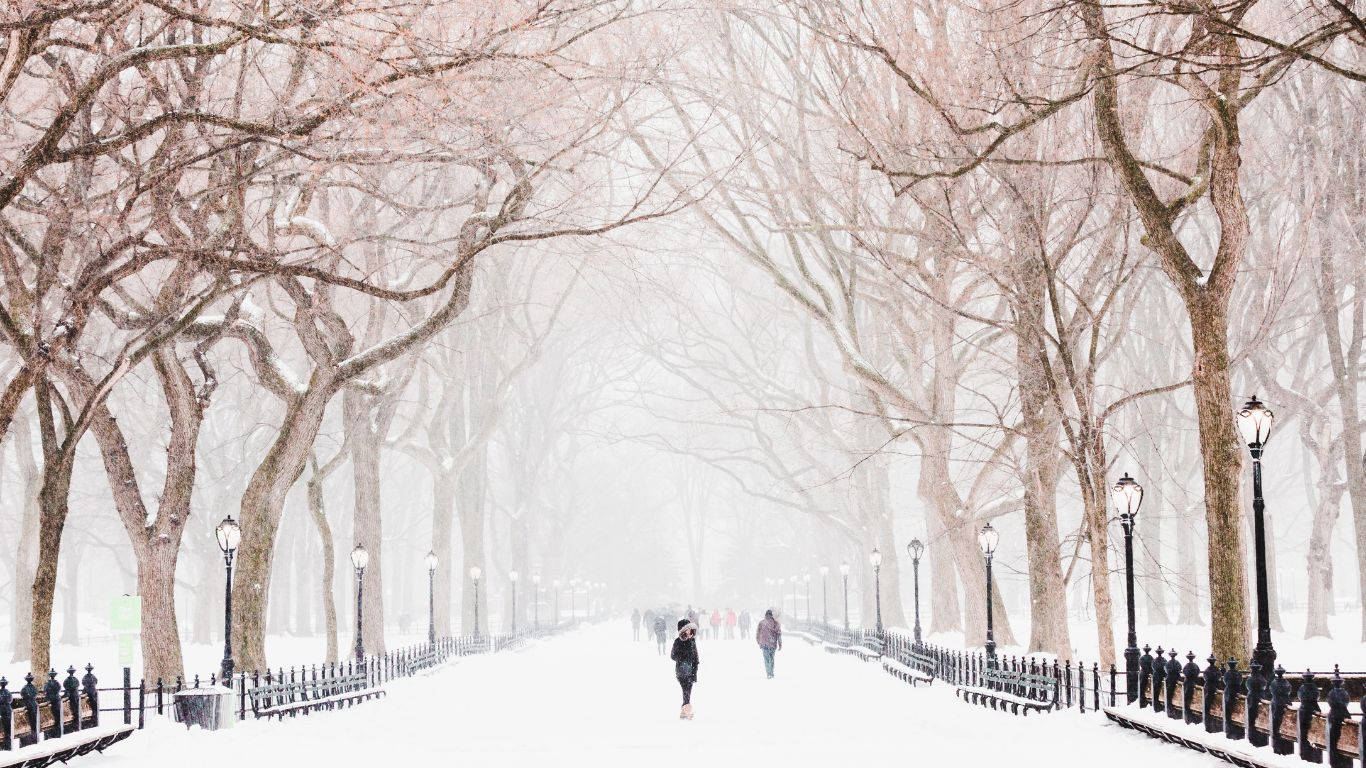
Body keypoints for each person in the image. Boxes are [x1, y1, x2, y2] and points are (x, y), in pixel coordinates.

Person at [671, 619, 700, 719]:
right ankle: (687, 711)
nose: (689, 630)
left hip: (691, 670)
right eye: (687, 628)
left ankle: (684, 712)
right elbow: (673, 656)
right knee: (686, 691)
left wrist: (695, 669)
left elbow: (696, 656)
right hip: (681, 671)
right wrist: (683, 657)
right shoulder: (678, 641)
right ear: (682, 630)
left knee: (687, 691)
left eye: (690, 628)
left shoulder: (692, 640)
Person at [755, 609, 782, 679]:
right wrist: (780, 643)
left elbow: (758, 633)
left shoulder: (761, 623)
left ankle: (769, 673)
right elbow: (779, 634)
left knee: (767, 659)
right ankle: (771, 672)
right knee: (772, 659)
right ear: (771, 615)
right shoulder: (776, 623)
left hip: (764, 644)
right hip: (773, 644)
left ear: (765, 615)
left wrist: (758, 641)